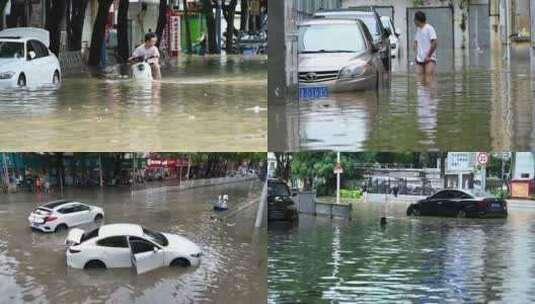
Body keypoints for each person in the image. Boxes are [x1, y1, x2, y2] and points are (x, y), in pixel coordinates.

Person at [413, 11, 438, 81]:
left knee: (428, 79)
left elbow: (435, 43)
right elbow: (415, 42)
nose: (414, 22)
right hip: (419, 59)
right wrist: (415, 55)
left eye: (414, 20)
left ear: (417, 20)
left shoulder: (429, 28)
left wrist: (428, 55)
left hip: (429, 59)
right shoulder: (418, 30)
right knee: (419, 80)